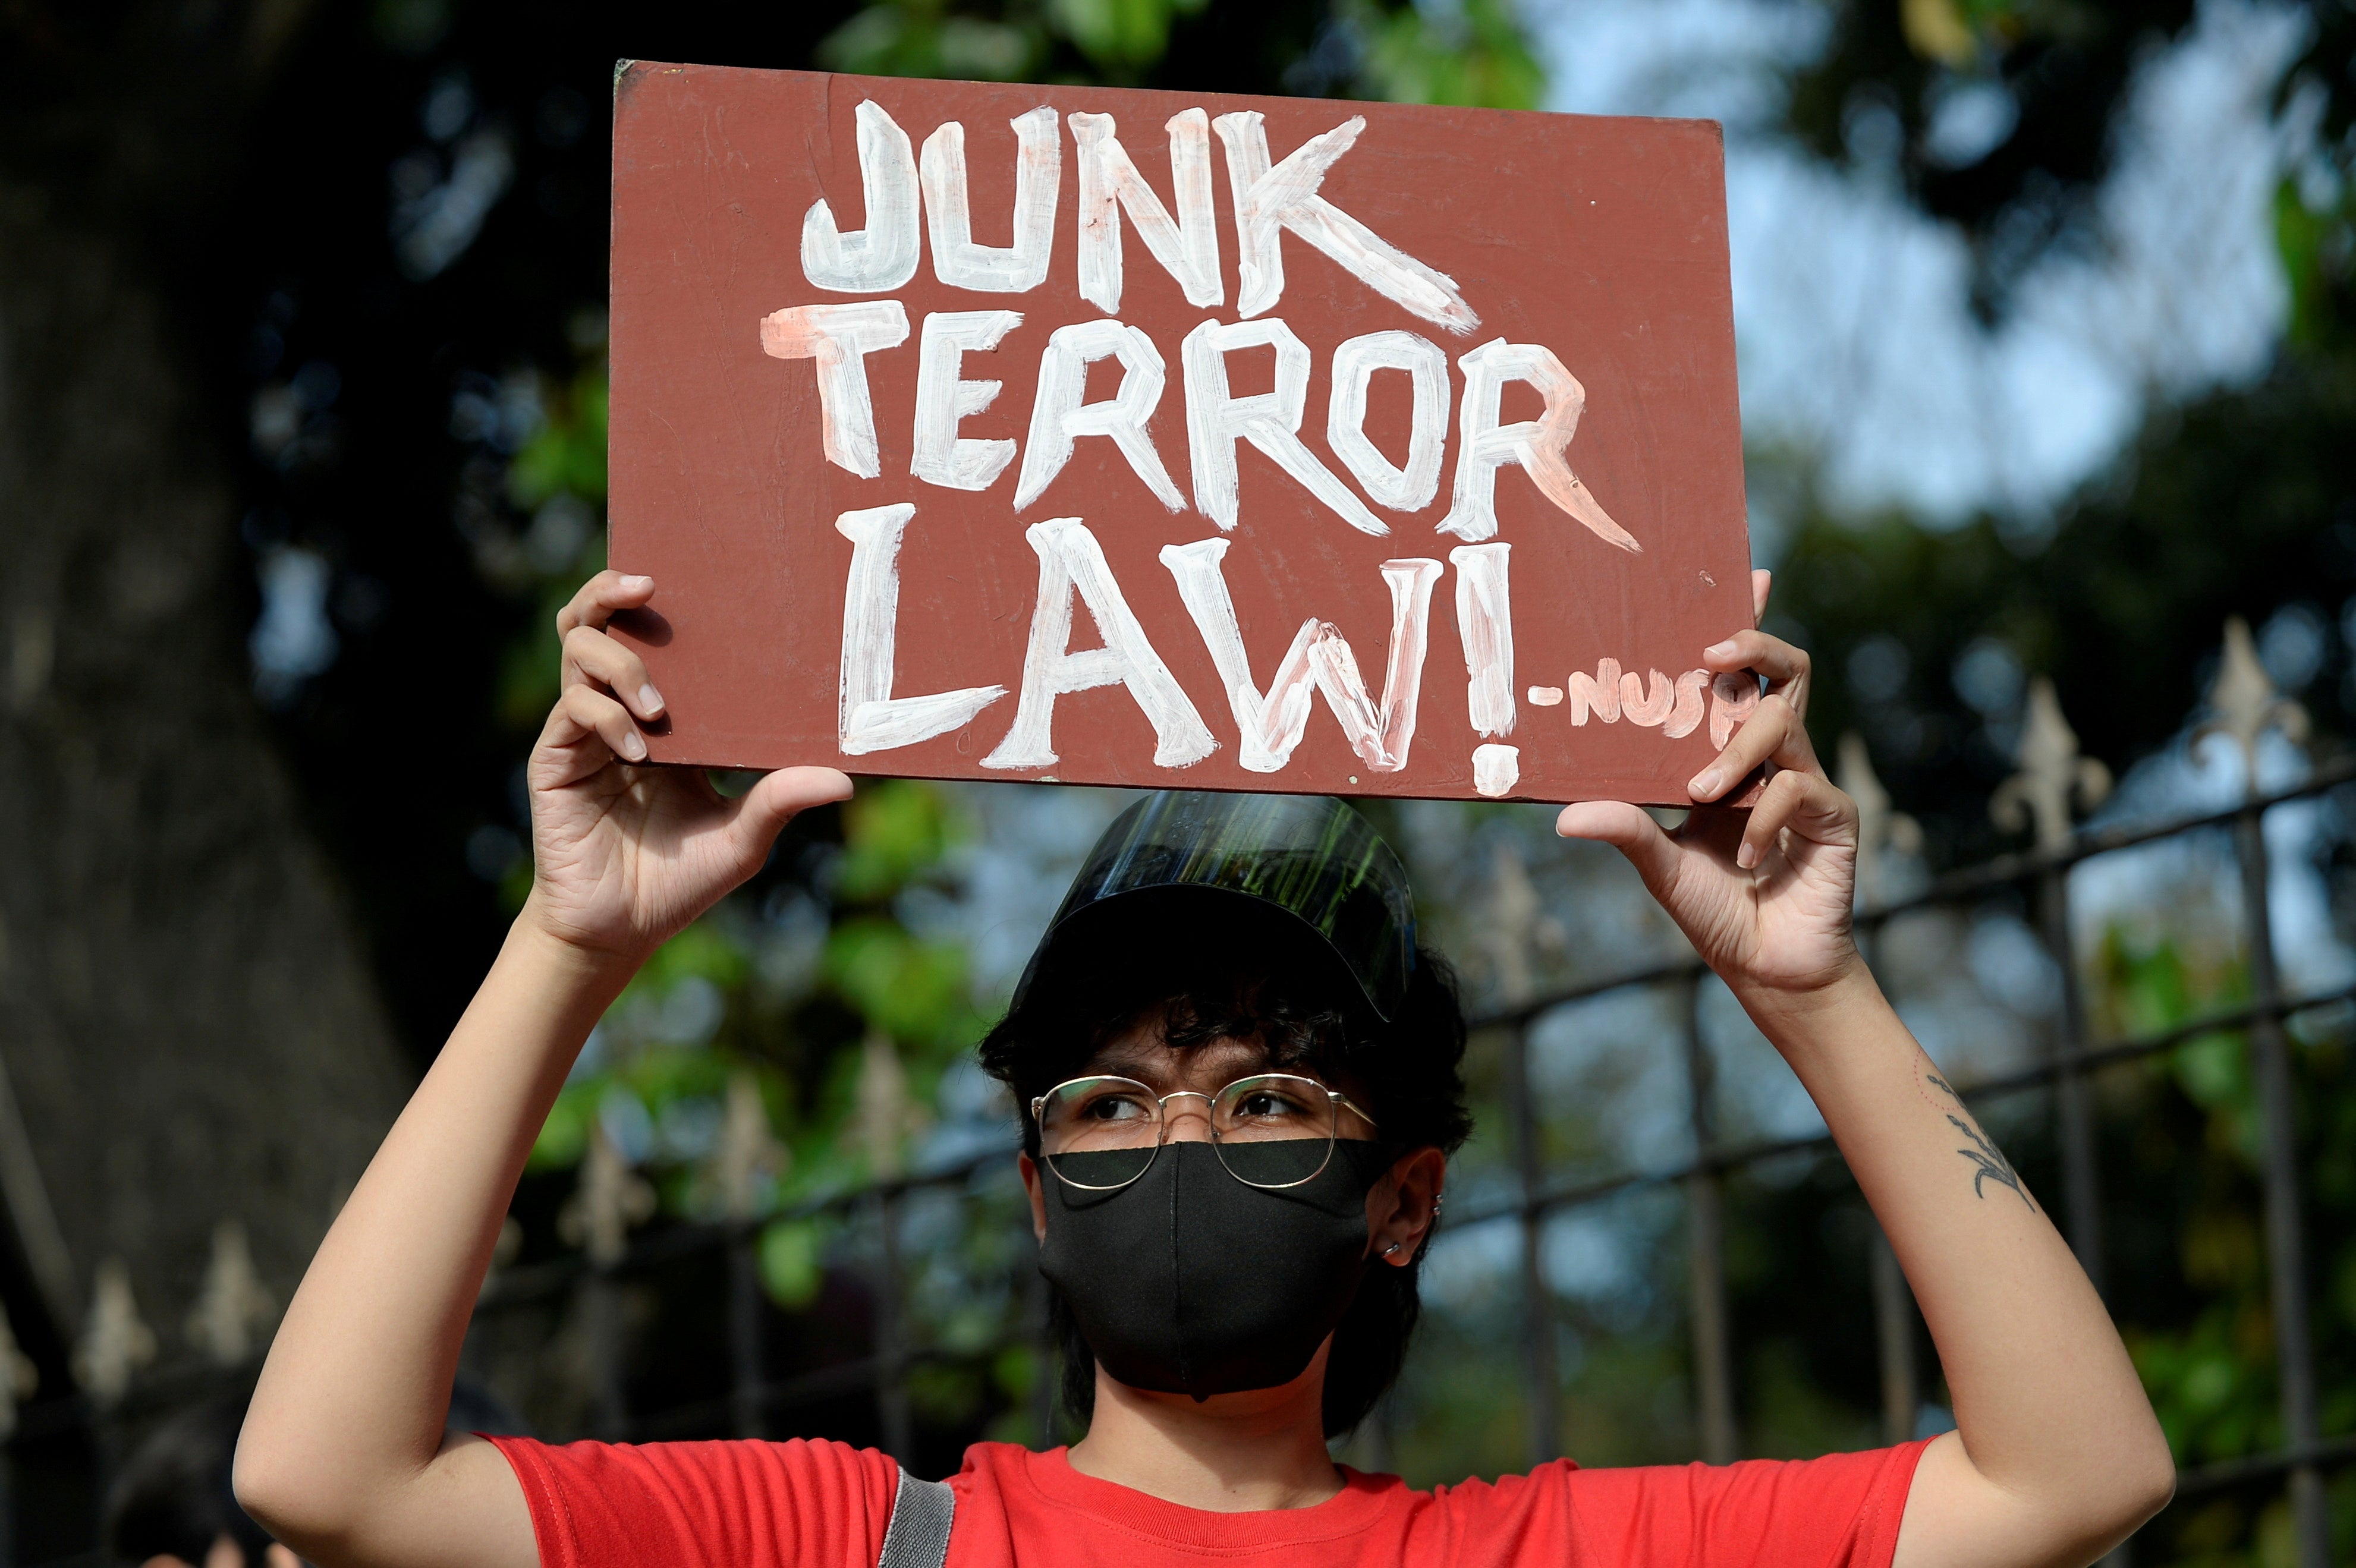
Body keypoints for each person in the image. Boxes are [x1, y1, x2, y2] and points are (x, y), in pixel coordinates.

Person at [234, 569, 2174, 1568]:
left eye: (1263, 1096)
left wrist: (1810, 991)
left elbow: (2075, 1478)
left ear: (1401, 1194)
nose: (1175, 1140)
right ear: (1032, 1185)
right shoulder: (845, 1542)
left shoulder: (1541, 1553)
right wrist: (570, 941)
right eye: (1103, 1102)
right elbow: (330, 1480)